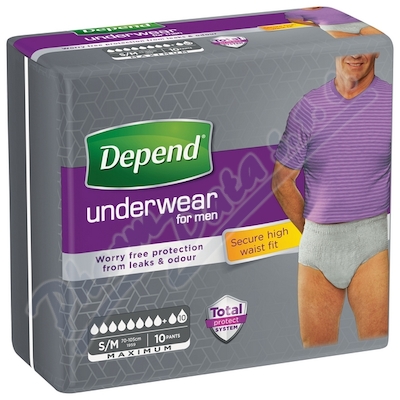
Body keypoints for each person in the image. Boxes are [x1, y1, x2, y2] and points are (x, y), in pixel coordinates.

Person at [272, 53, 391, 348]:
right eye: (347, 45)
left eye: (363, 46)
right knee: (317, 355)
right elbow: (282, 182)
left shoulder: (393, 104)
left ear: (377, 50)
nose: (355, 54)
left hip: (373, 244)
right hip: (318, 246)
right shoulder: (308, 107)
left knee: (378, 347)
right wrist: (315, 234)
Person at [285, 7, 382, 38]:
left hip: (357, 22)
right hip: (332, 28)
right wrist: (316, 25)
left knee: (380, 39)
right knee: (358, 46)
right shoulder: (294, 11)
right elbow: (295, 20)